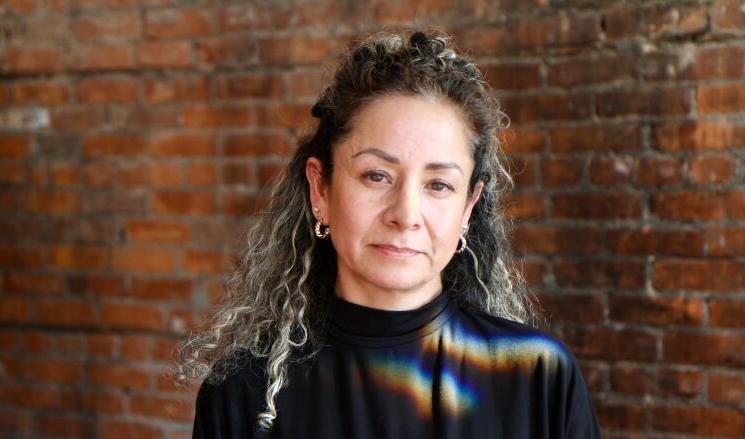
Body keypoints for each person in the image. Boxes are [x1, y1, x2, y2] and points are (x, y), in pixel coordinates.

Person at [176, 29, 601, 438]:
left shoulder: (538, 377)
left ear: (468, 208)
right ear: (320, 189)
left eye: (438, 185)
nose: (406, 214)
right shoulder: (244, 394)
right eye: (376, 176)